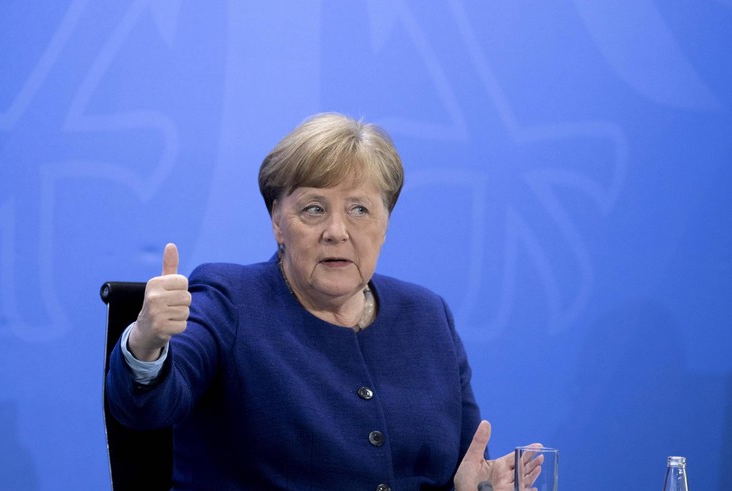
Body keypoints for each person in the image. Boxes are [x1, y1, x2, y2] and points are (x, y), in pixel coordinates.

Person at [106, 113, 541, 490]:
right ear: (278, 221)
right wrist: (147, 344)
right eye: (314, 208)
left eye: (359, 209)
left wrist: (474, 489)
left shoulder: (428, 317)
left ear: (385, 223)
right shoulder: (230, 300)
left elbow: (465, 465)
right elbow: (145, 408)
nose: (337, 230)